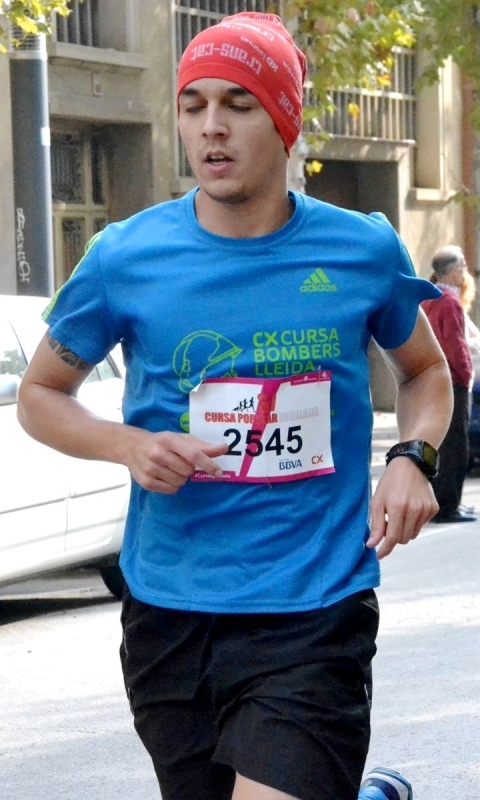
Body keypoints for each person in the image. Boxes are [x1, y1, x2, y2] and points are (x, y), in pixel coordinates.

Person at [15, 14, 449, 800]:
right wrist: (125, 445)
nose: (211, 127)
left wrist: (411, 458)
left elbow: (425, 372)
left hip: (315, 608)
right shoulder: (126, 256)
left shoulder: (363, 249)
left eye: (240, 104)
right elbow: (41, 396)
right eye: (193, 104)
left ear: (285, 120)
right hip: (171, 614)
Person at [423, 245, 478, 523]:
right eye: (463, 267)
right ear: (454, 271)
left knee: (440, 444)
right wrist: (467, 376)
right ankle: (449, 505)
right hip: (452, 381)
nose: (465, 272)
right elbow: (456, 346)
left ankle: (444, 501)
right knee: (456, 446)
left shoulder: (428, 298)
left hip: (431, 381)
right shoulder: (449, 301)